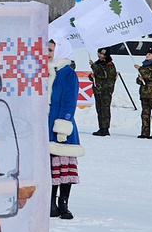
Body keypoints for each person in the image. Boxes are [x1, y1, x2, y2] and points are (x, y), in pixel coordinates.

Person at [49, 58, 82, 219]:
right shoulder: (40, 71)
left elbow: (69, 101)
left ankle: (63, 203)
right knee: (49, 167)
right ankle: (50, 202)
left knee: (63, 165)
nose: (47, 53)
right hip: (44, 126)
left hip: (61, 125)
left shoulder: (67, 72)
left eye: (51, 50)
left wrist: (63, 125)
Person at [90, 48, 118, 137]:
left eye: (102, 54)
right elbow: (96, 75)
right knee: (99, 109)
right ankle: (101, 127)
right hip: (98, 89)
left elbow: (104, 74)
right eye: (99, 53)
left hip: (106, 90)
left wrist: (93, 66)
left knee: (105, 109)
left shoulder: (109, 64)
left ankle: (105, 128)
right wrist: (91, 76)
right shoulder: (98, 63)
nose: (100, 55)